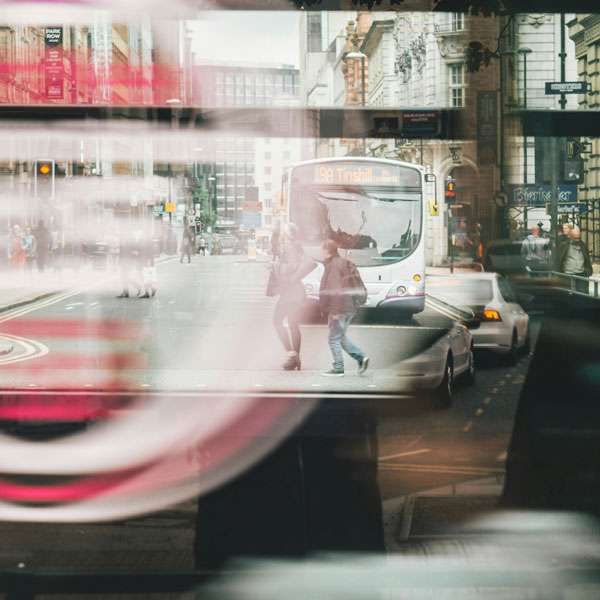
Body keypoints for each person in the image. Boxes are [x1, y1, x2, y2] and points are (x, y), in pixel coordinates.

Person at [319, 239, 369, 377]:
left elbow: (335, 290)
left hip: (339, 309)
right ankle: (361, 358)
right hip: (349, 307)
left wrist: (334, 311)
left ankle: (339, 368)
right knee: (340, 337)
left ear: (327, 251)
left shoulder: (334, 266)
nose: (320, 252)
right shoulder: (342, 263)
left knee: (333, 338)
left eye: (322, 249)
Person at [272, 223, 313, 371]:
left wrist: (278, 267)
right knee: (290, 323)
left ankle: (292, 355)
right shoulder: (292, 247)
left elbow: (294, 267)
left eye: (285, 232)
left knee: (280, 321)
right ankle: (294, 356)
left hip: (292, 292)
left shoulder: (291, 246)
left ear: (290, 234)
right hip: (292, 291)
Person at [556, 226, 593, 294]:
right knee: (568, 294)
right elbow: (559, 259)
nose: (577, 240)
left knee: (582, 294)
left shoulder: (583, 245)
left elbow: (587, 259)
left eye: (579, 237)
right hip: (568, 274)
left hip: (581, 274)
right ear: (570, 236)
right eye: (575, 238)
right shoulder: (564, 245)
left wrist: (588, 271)